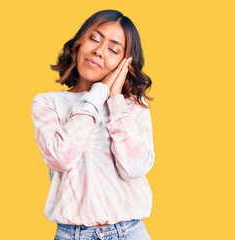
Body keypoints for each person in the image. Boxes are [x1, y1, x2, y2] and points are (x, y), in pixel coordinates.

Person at [31, 9, 155, 240]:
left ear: (125, 63)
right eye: (94, 39)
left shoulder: (133, 107)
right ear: (78, 43)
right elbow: (61, 158)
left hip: (131, 232)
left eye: (113, 49)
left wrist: (115, 99)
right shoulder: (48, 103)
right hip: (73, 235)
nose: (99, 51)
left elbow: (135, 168)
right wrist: (99, 94)